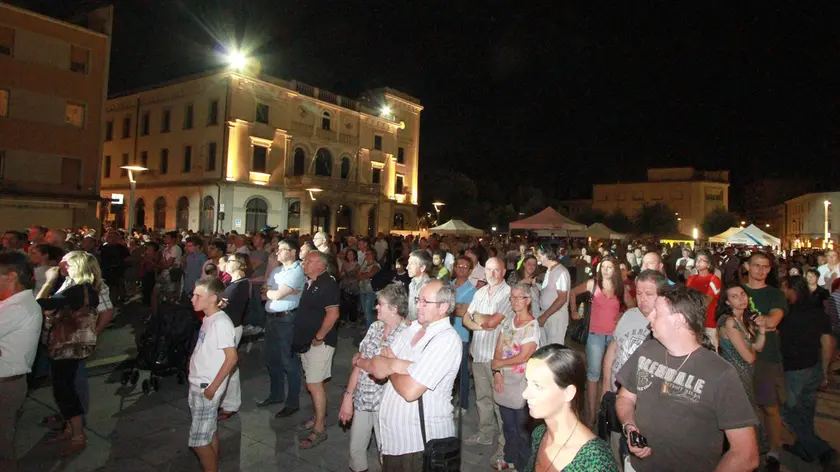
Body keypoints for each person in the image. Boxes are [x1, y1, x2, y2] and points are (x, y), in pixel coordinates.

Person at [616, 285, 760, 472]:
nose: (649, 317)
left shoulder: (720, 373)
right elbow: (625, 398)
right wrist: (630, 425)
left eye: (656, 313)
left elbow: (746, 455)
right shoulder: (647, 350)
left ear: (678, 320)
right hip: (637, 467)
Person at [357, 280, 462, 472]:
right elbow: (377, 368)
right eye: (417, 299)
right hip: (394, 441)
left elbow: (410, 391)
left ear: (443, 307)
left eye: (424, 302)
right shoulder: (412, 328)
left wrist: (392, 364)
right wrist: (400, 366)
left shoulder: (446, 340)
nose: (417, 306)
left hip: (419, 444)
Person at [36, 251, 101, 457]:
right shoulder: (83, 288)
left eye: (67, 263)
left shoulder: (76, 290)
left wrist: (49, 281)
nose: (62, 266)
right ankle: (71, 429)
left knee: (65, 389)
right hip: (71, 345)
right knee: (66, 387)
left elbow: (42, 303)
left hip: (67, 346)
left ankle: (78, 435)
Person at [339, 284, 409, 472]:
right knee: (356, 451)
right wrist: (348, 396)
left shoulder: (406, 335)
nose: (375, 307)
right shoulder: (375, 327)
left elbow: (375, 367)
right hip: (363, 399)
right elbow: (359, 363)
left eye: (380, 304)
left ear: (394, 309)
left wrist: (363, 362)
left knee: (387, 454)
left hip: (386, 405)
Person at [600, 269, 667, 466]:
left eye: (649, 294)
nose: (642, 299)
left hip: (646, 405)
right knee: (616, 448)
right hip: (618, 394)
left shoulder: (667, 324)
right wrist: (606, 386)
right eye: (638, 293)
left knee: (639, 454)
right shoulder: (629, 315)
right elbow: (613, 349)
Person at [522, 345, 618, 472]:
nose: (525, 393)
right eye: (527, 382)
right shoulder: (539, 434)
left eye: (538, 386)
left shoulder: (596, 462)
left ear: (568, 393)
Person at [778, 276, 838, 468]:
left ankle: (822, 449)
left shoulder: (785, 313)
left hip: (794, 370)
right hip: (813, 368)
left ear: (789, 288)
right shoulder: (817, 311)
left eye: (783, 287)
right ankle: (804, 447)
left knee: (787, 412)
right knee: (805, 412)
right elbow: (828, 341)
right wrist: (824, 370)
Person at [569, 256, 632, 427]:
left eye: (609, 266)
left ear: (615, 270)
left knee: (611, 375)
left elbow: (632, 306)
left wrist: (622, 315)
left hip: (614, 337)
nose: (605, 269)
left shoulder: (620, 287)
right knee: (593, 374)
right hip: (595, 334)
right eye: (603, 266)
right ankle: (591, 413)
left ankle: (606, 410)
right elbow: (573, 292)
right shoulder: (593, 284)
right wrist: (574, 311)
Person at [462, 257, 513, 460]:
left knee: (500, 402)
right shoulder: (481, 292)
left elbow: (492, 322)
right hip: (479, 353)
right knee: (483, 399)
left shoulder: (509, 294)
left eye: (497, 270)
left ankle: (504, 444)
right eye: (489, 269)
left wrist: (480, 319)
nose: (492, 274)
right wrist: (480, 322)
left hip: (497, 357)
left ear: (504, 272)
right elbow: (466, 317)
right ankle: (485, 434)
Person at [187, 278, 238, 472]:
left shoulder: (221, 322)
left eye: (198, 296)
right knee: (208, 433)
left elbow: (231, 358)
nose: (193, 299)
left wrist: (212, 388)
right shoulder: (209, 318)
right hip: (199, 384)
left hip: (206, 388)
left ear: (214, 298)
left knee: (199, 442)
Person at [743, 252, 787, 471]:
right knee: (742, 408)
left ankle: (773, 451)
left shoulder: (775, 294)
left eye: (765, 267)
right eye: (756, 265)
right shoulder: (736, 291)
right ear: (747, 266)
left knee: (769, 406)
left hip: (766, 358)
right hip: (739, 358)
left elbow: (775, 318)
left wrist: (765, 322)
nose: (761, 270)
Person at [0, 252, 43, 471]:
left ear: (11, 276)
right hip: (8, 381)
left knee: (3, 448)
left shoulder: (17, 308)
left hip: (5, 384)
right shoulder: (12, 305)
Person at [491, 283, 540, 471]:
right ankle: (509, 458)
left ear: (528, 300)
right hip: (505, 380)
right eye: (512, 297)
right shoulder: (507, 322)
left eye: (519, 297)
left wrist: (499, 365)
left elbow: (525, 355)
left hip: (522, 383)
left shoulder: (532, 326)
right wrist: (496, 373)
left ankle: (524, 464)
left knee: (522, 429)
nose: (514, 301)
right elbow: (498, 349)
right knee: (508, 425)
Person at [294, 251, 340, 449]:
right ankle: (317, 416)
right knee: (315, 382)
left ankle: (320, 428)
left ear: (320, 265)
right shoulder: (310, 281)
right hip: (307, 341)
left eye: (309, 261)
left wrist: (319, 337)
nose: (304, 263)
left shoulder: (327, 283)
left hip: (320, 342)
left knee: (314, 384)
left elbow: (333, 313)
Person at [716, 283, 768, 455]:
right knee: (746, 419)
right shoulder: (729, 322)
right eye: (735, 296)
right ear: (728, 302)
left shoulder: (743, 320)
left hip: (746, 373)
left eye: (742, 294)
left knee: (748, 417)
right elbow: (749, 356)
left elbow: (758, 347)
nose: (741, 299)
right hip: (735, 376)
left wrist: (762, 329)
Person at [260, 239, 305, 417]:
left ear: (293, 252)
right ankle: (276, 394)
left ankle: (292, 402)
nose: (277, 252)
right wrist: (276, 293)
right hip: (270, 318)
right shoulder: (277, 270)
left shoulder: (298, 270)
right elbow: (264, 293)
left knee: (289, 361)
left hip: (287, 319)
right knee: (271, 359)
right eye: (277, 249)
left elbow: (276, 293)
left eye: (282, 249)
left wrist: (276, 293)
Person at [216, 253, 251, 421]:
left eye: (230, 261)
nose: (227, 263)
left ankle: (230, 403)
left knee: (228, 367)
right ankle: (229, 402)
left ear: (240, 264)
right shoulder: (233, 283)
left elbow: (226, 307)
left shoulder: (240, 286)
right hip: (228, 326)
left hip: (232, 327)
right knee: (229, 367)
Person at [450, 255, 478, 412]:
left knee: (462, 372)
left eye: (464, 267)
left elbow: (466, 313)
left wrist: (456, 309)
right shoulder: (448, 286)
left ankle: (464, 404)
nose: (461, 269)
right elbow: (455, 310)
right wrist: (458, 308)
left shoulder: (472, 291)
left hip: (461, 336)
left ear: (470, 270)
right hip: (445, 335)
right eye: (458, 266)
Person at [685, 249, 722, 350]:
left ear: (709, 264)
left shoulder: (714, 279)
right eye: (697, 260)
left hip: (708, 323)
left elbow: (707, 300)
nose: (698, 262)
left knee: (710, 353)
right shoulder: (691, 278)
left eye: (702, 260)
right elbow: (686, 297)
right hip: (692, 322)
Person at [537, 245, 572, 346]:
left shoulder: (561, 272)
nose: (538, 258)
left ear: (547, 255)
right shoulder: (550, 270)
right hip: (547, 315)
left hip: (555, 317)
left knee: (554, 350)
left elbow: (562, 299)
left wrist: (544, 316)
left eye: (539, 255)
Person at [406, 250, 432, 321]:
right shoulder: (412, 284)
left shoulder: (428, 287)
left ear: (422, 268)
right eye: (408, 263)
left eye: (412, 264)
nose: (407, 267)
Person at [358, 250, 381, 328]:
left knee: (368, 311)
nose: (366, 255)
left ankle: (369, 330)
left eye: (368, 254)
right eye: (366, 254)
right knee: (365, 311)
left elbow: (370, 274)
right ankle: (368, 327)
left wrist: (363, 275)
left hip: (370, 291)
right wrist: (364, 275)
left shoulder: (376, 266)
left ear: (373, 255)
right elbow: (358, 275)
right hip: (362, 290)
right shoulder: (364, 265)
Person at [339, 249, 361, 325]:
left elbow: (359, 277)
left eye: (351, 254)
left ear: (354, 255)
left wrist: (353, 281)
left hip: (354, 287)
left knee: (353, 304)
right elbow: (340, 274)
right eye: (348, 254)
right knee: (345, 304)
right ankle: (344, 319)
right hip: (345, 286)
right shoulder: (344, 264)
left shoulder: (357, 265)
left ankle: (352, 321)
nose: (350, 256)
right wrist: (342, 274)